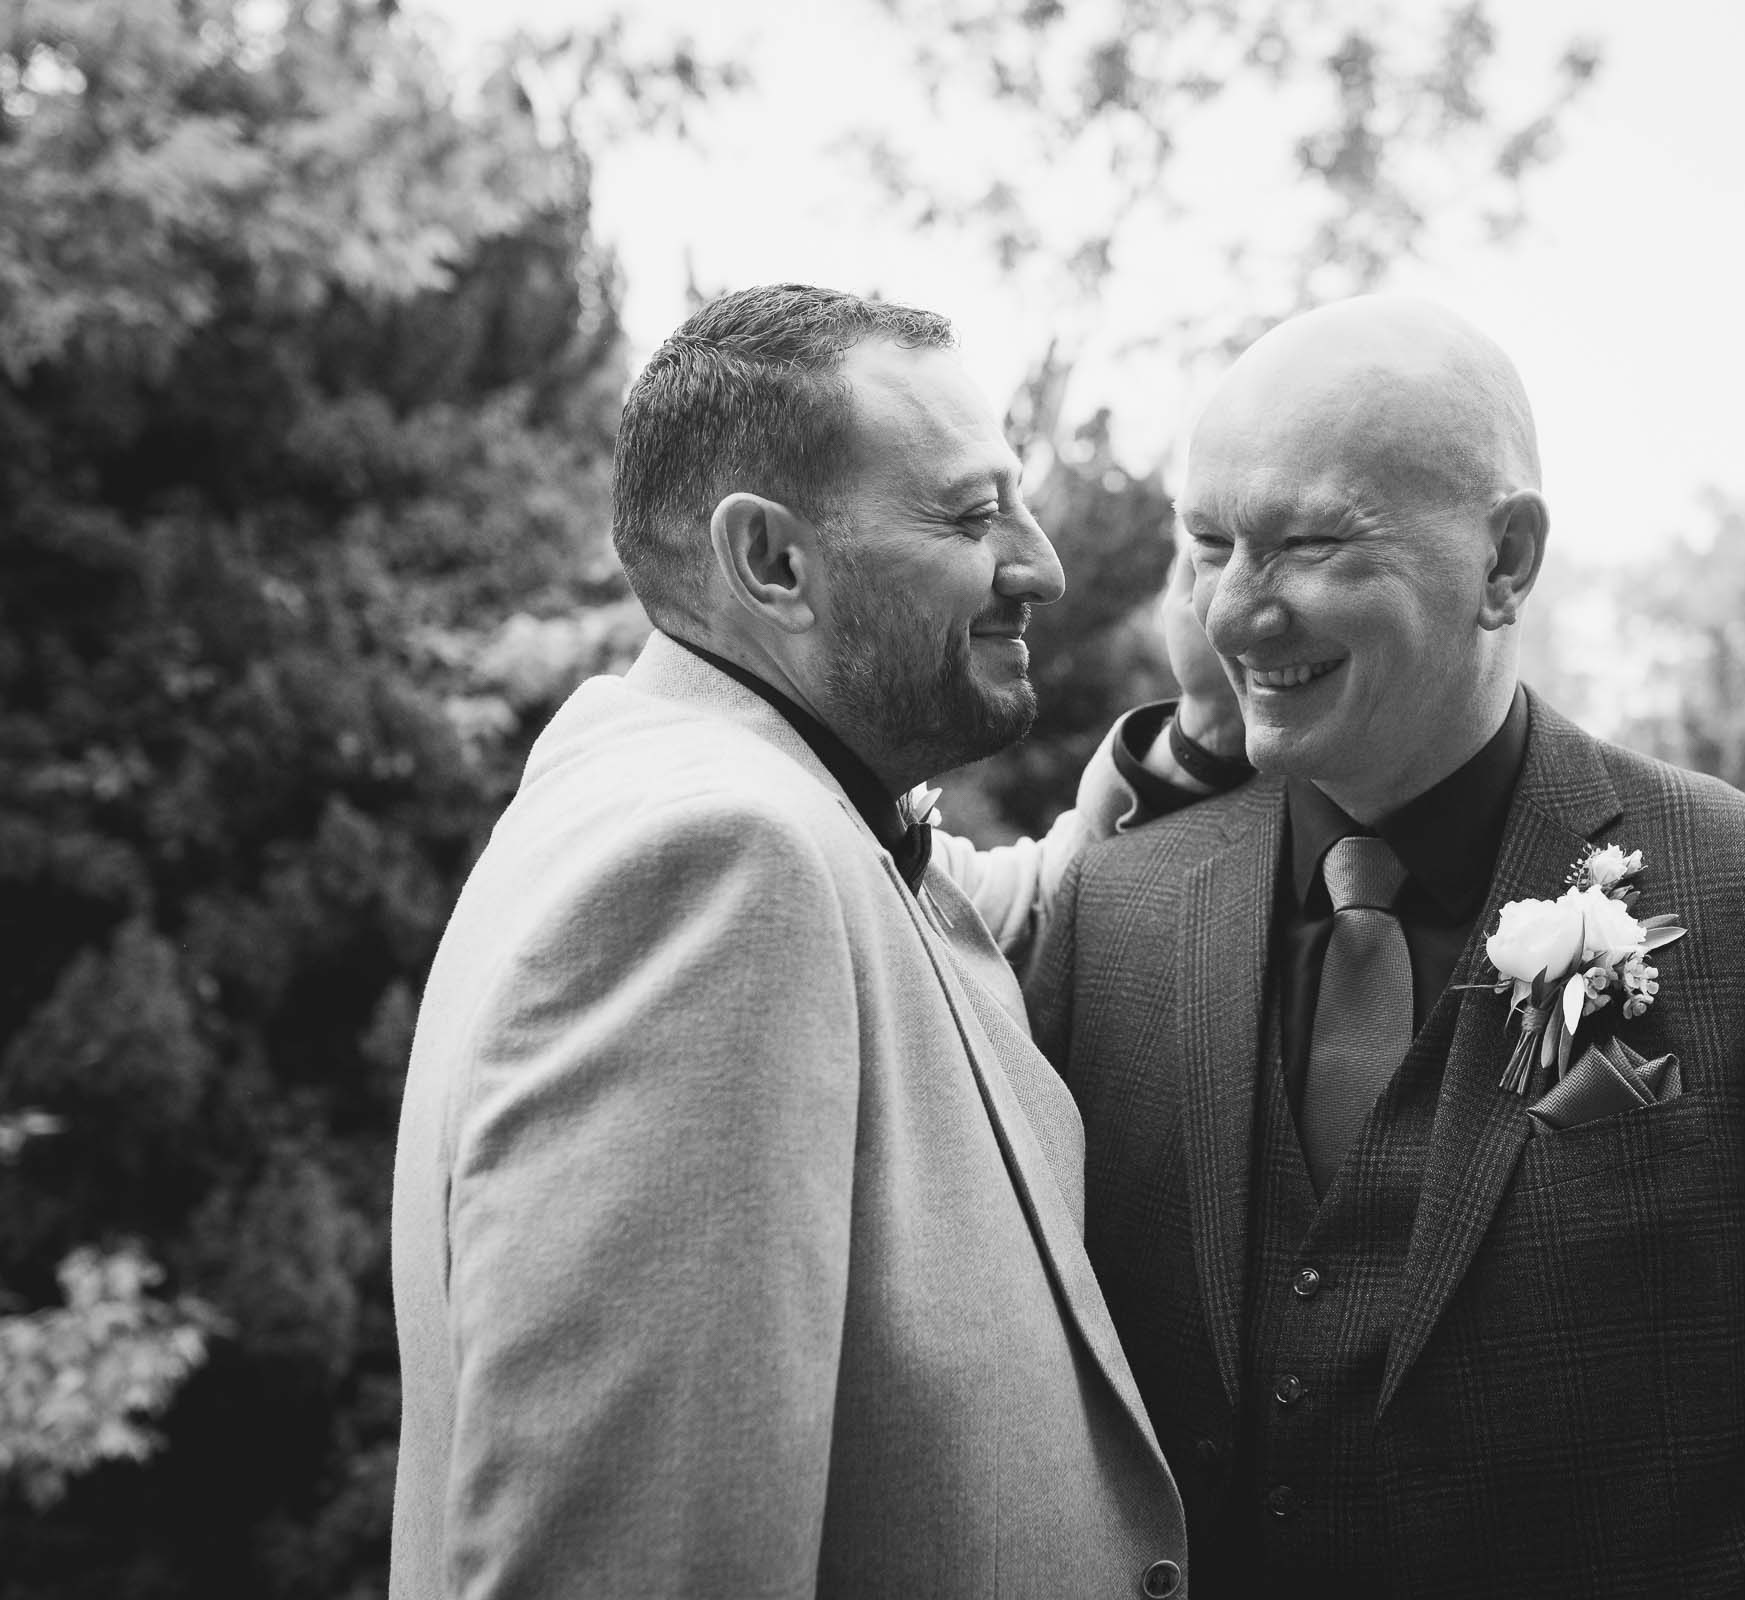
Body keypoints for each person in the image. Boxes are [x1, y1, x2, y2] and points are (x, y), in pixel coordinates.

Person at [1027, 296, 1745, 1598]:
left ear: (1505, 559)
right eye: (1210, 544)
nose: (1234, 612)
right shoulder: (1115, 913)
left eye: (1309, 545)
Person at [390, 284, 1189, 1600]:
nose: (1040, 564)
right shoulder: (717, 865)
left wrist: (1195, 741)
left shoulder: (717, 795)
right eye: (971, 516)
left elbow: (971, 918)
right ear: (771, 562)